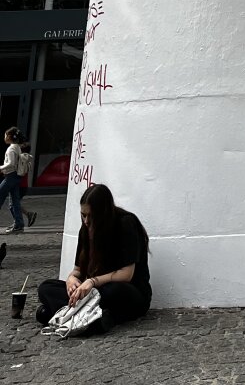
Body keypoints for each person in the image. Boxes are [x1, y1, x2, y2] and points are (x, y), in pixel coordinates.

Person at [36, 183, 151, 335]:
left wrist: (92, 282)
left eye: (91, 216)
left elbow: (126, 274)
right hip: (94, 293)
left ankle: (66, 313)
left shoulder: (125, 223)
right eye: (83, 215)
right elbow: (77, 270)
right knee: (46, 287)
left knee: (111, 291)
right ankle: (93, 319)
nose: (86, 221)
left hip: (127, 291)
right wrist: (71, 280)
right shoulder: (85, 229)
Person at [0, 127, 35, 234]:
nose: (4, 137)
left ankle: (19, 224)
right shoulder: (17, 147)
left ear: (10, 137)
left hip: (10, 176)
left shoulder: (11, 148)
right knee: (15, 201)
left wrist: (1, 168)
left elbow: (11, 163)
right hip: (16, 177)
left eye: (6, 135)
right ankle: (19, 225)